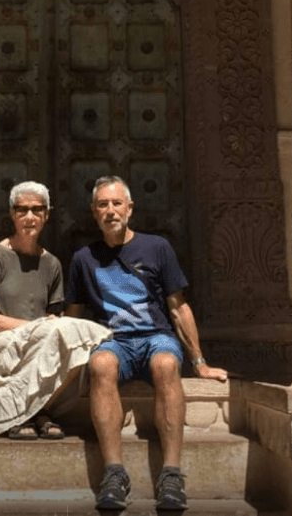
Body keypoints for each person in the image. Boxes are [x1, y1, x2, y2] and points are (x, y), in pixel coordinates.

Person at [65, 175, 228, 510]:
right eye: (103, 205)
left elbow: (178, 307)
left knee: (167, 364)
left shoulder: (157, 248)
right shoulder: (84, 258)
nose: (111, 211)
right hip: (115, 342)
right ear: (94, 212)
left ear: (130, 208)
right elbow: (74, 318)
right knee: (101, 363)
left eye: (116, 203)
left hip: (157, 338)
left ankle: (171, 474)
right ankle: (114, 473)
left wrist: (199, 362)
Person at [0, 180, 112, 440]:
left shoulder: (52, 264)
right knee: (55, 336)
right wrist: (32, 327)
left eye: (36, 210)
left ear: (46, 215)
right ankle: (31, 413)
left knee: (81, 339)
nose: (29, 217)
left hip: (36, 342)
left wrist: (45, 328)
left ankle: (37, 410)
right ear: (12, 214)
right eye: (22, 210)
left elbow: (53, 317)